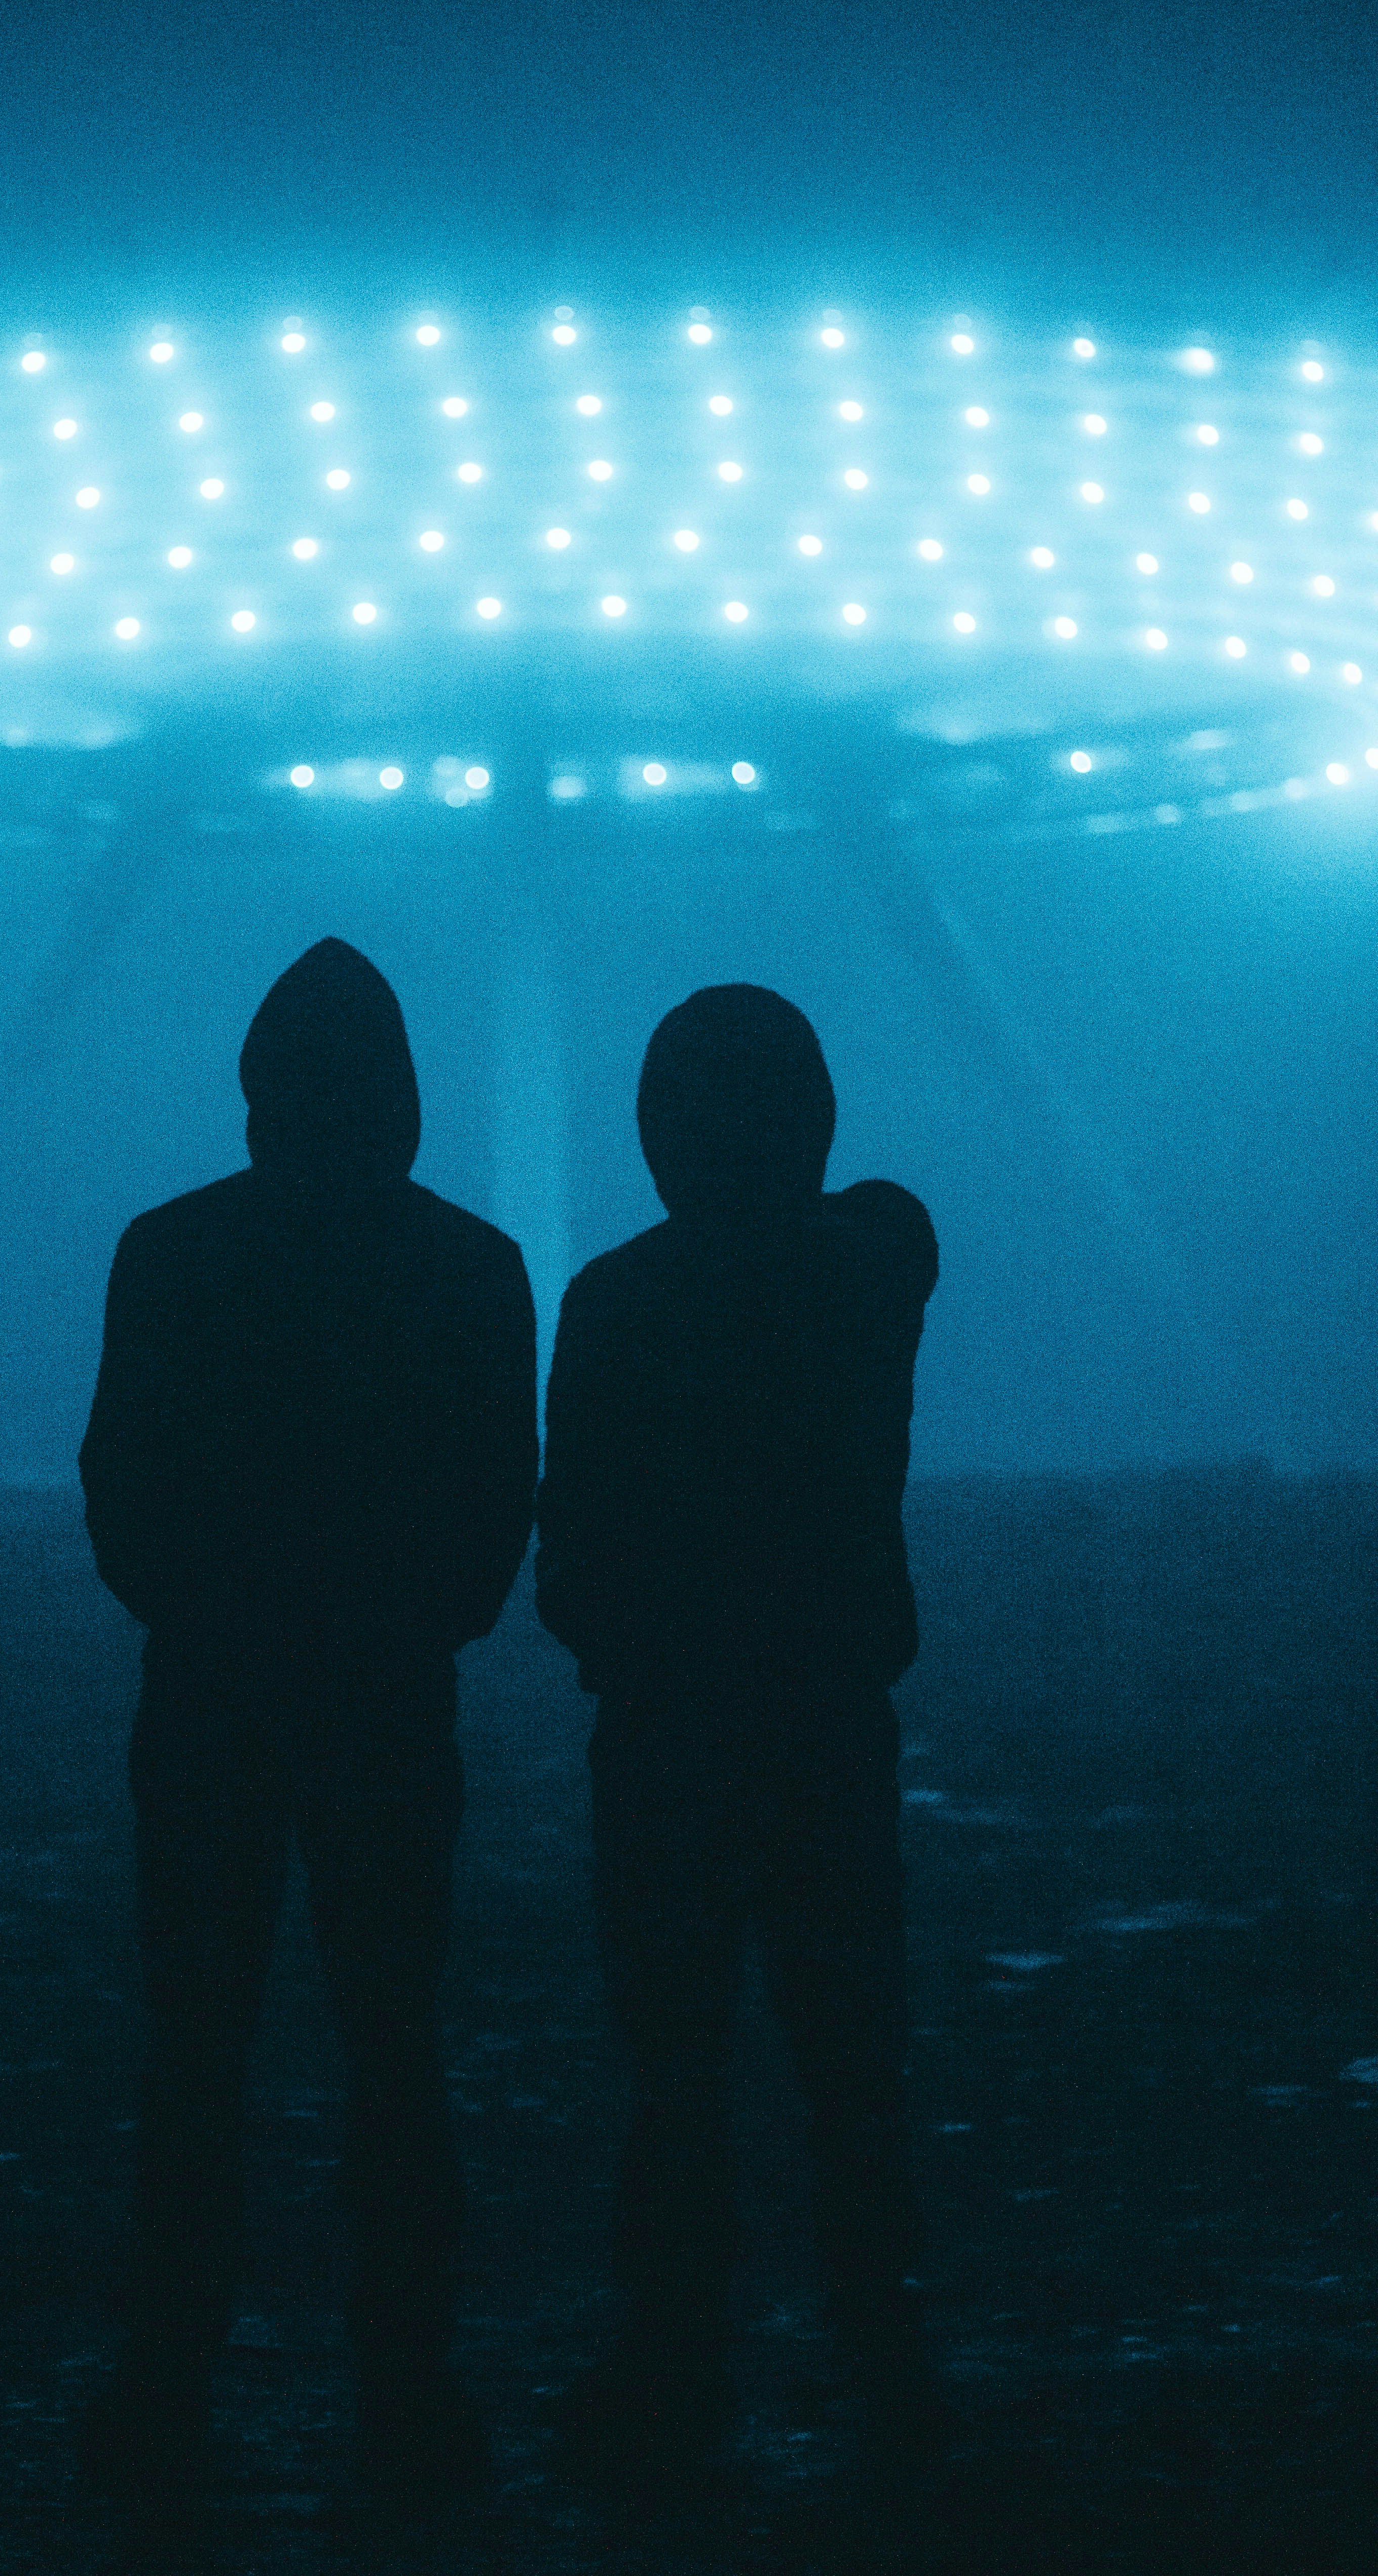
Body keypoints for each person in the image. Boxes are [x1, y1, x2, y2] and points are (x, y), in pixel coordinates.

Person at [76, 937, 538, 2499]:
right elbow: (499, 1495)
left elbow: (119, 1479)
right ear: (398, 1093)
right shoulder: (472, 1266)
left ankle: (168, 2372)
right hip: (388, 1697)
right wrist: (421, 1620)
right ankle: (407, 2382)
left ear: (259, 1089)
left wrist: (199, 1611)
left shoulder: (171, 1251)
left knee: (195, 2045)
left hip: (209, 1690)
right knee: (393, 2040)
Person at [534, 983, 944, 2470]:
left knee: (674, 2064)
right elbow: (893, 1221)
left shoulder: (615, 1303)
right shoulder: (866, 1270)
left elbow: (567, 1541)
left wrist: (624, 1643)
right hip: (831, 1719)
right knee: (849, 2051)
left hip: (665, 1733)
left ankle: (673, 2357)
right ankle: (881, 2351)